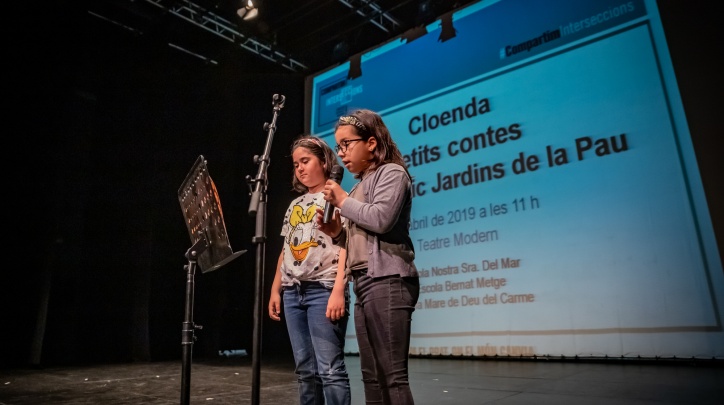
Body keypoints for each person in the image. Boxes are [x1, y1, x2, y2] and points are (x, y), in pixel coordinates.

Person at [315, 109, 420, 405]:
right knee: (372, 377)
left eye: (346, 144)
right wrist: (337, 232)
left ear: (371, 143)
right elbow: (358, 240)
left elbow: (381, 219)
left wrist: (342, 200)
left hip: (389, 280)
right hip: (364, 283)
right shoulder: (358, 186)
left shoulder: (392, 173)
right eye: (338, 147)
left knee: (393, 376)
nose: (341, 153)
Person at [268, 135, 351, 405]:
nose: (300, 168)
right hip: (293, 292)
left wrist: (339, 290)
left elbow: (346, 246)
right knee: (305, 371)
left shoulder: (339, 199)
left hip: (323, 289)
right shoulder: (295, 205)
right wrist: (276, 289)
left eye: (305, 161)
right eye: (296, 165)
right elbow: (286, 249)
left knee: (330, 370)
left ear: (324, 162)